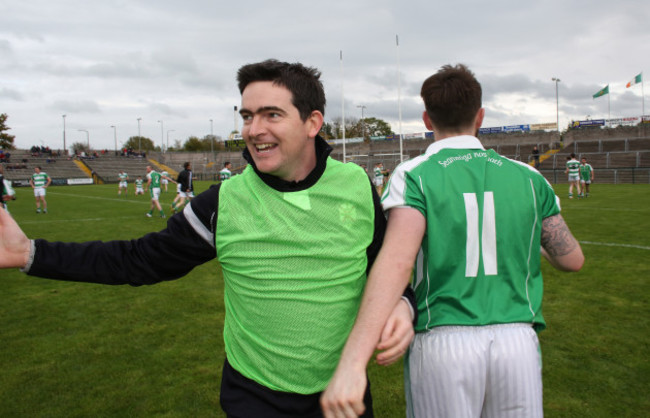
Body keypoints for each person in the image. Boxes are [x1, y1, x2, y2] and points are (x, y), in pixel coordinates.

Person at [0, 59, 414, 417]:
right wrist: (29, 253)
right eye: (247, 115)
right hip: (256, 396)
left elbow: (385, 263)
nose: (254, 129)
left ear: (312, 123)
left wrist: (403, 302)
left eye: (271, 114)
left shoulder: (356, 185)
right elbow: (137, 259)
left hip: (345, 392)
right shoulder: (223, 203)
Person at [322, 64, 585, 418]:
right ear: (480, 116)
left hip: (443, 337)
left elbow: (398, 260)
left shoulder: (414, 174)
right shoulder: (528, 176)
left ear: (427, 119)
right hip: (517, 340)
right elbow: (572, 259)